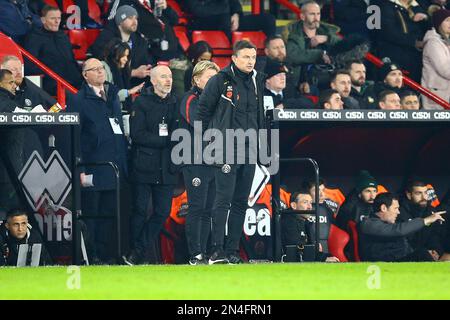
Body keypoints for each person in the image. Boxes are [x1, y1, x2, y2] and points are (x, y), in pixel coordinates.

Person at [197, 40, 266, 264]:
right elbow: (203, 111)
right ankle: (216, 250)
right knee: (223, 200)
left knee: (240, 202)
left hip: (249, 150)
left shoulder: (257, 81)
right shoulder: (219, 80)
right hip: (226, 149)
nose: (250, 61)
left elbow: (259, 116)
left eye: (253, 57)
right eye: (246, 57)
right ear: (234, 58)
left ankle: (232, 250)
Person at [66, 58, 128, 264]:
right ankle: (91, 256)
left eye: (102, 68)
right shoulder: (78, 99)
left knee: (110, 213)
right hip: (92, 167)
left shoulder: (112, 97)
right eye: (95, 69)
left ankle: (107, 254)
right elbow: (74, 135)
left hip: (114, 166)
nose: (101, 72)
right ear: (85, 75)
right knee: (92, 213)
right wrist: (79, 166)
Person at [122, 65, 178, 265]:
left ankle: (137, 250)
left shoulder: (176, 102)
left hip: (167, 168)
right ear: (153, 80)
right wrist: (166, 141)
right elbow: (137, 135)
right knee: (138, 210)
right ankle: (135, 254)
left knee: (162, 212)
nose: (168, 80)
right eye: (163, 77)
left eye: (170, 76)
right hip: (144, 165)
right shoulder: (142, 102)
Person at [179, 61, 220, 265]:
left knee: (208, 209)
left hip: (214, 161)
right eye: (209, 78)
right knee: (197, 207)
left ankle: (203, 253)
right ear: (196, 79)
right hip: (194, 160)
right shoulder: (190, 99)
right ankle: (195, 254)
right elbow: (198, 124)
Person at [359, 192, 445, 262]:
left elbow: (404, 246)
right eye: (396, 208)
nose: (398, 212)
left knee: (425, 253)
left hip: (397, 261)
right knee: (422, 255)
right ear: (384, 208)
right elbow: (398, 230)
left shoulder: (388, 224)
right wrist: (425, 220)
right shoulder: (368, 224)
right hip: (381, 266)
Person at [23, 5, 82, 95]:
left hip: (74, 80)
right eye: (53, 18)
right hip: (52, 82)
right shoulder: (33, 38)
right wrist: (50, 74)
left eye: (58, 18)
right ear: (43, 20)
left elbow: (72, 60)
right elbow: (29, 65)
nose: (57, 21)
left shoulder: (63, 36)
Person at [89, 5, 153, 87]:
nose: (135, 21)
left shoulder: (139, 39)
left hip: (136, 82)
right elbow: (103, 68)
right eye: (130, 18)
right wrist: (133, 73)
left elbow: (146, 59)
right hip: (113, 85)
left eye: (136, 18)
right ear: (120, 21)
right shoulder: (106, 38)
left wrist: (148, 68)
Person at [285, 1, 341, 90]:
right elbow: (293, 55)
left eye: (318, 14)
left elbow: (343, 45)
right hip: (303, 82)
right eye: (312, 14)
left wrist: (327, 38)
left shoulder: (326, 31)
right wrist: (319, 54)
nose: (316, 18)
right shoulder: (294, 34)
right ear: (302, 16)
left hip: (330, 76)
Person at [107, 0, 182, 61]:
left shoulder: (156, 2)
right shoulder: (122, 3)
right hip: (153, 59)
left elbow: (175, 21)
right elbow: (112, 26)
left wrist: (166, 8)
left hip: (175, 54)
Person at [374, 0, 429, 82]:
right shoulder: (384, 5)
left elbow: (431, 27)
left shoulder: (417, 5)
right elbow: (387, 32)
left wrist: (426, 18)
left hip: (415, 58)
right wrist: (414, 42)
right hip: (395, 55)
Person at [280, 190, 339, 262]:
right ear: (294, 205)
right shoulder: (287, 222)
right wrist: (323, 258)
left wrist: (325, 256)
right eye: (305, 202)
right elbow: (297, 251)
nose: (310, 207)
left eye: (310, 203)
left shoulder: (306, 222)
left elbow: (312, 249)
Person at [398, 180, 446, 260]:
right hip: (408, 256)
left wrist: (436, 251)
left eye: (425, 193)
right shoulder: (399, 212)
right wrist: (425, 253)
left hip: (431, 255)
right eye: (419, 193)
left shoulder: (432, 211)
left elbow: (435, 235)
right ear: (409, 195)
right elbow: (404, 242)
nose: (424, 197)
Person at [183, 0, 276, 40]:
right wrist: (225, 12)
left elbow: (234, 3)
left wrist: (236, 14)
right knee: (224, 19)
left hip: (229, 20)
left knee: (268, 19)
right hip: (203, 22)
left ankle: (271, 52)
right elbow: (197, 10)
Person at [101, 40, 145, 111]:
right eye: (123, 56)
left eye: (127, 56)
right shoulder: (103, 67)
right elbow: (106, 94)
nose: (126, 59)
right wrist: (128, 92)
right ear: (114, 55)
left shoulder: (123, 71)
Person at [421, 9, 450, 110]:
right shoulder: (433, 43)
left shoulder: (445, 42)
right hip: (436, 96)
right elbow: (445, 70)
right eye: (447, 20)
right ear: (439, 23)